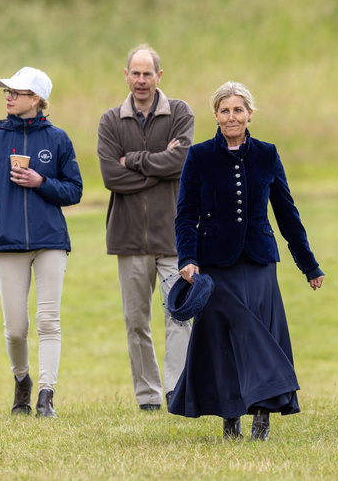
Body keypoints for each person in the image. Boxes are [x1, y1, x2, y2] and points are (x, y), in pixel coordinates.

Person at [168, 81, 324, 440]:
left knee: (260, 335)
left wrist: (308, 264)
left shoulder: (267, 154)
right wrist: (187, 257)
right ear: (216, 115)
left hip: (258, 261)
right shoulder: (200, 155)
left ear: (250, 113)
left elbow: (287, 214)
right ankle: (230, 418)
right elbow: (185, 214)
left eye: (238, 110)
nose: (231, 116)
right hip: (214, 265)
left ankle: (263, 416)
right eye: (225, 110)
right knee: (224, 339)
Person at [0, 67, 83, 418]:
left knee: (49, 321)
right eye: (7, 91)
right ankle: (22, 380)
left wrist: (39, 181)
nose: (9, 96)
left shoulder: (58, 139)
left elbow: (73, 190)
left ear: (37, 99)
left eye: (17, 91)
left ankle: (46, 395)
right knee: (16, 330)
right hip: (7, 242)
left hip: (51, 242)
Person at [97, 44, 195, 410]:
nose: (141, 80)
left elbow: (182, 161)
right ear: (126, 75)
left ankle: (177, 390)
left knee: (179, 316)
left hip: (173, 238)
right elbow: (111, 176)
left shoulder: (180, 112)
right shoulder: (110, 120)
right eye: (135, 73)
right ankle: (149, 396)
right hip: (128, 239)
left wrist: (134, 161)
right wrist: (159, 167)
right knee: (136, 322)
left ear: (159, 76)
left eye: (147, 73)